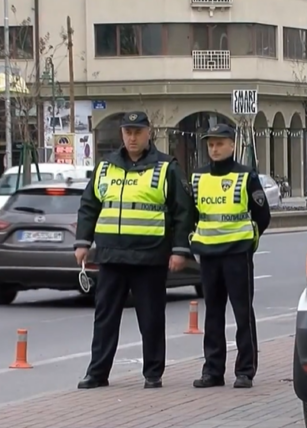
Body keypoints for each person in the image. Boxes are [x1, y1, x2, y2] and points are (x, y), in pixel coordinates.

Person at [73, 111, 193, 390]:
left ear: (148, 133)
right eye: (127, 132)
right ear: (121, 135)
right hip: (111, 255)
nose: (132, 137)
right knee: (105, 318)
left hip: (149, 256)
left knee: (150, 319)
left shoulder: (166, 167)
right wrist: (82, 242)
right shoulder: (106, 167)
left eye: (137, 132)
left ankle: (152, 373)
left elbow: (182, 212)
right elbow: (89, 206)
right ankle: (97, 373)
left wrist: (179, 250)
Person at [190, 124, 271, 389]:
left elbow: (262, 215)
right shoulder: (198, 177)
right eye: (211, 144)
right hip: (209, 255)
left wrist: (249, 242)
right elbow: (192, 215)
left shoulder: (246, 175)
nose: (214, 148)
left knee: (242, 313)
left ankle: (245, 371)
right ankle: (212, 371)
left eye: (220, 143)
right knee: (212, 314)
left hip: (237, 253)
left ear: (232, 145)